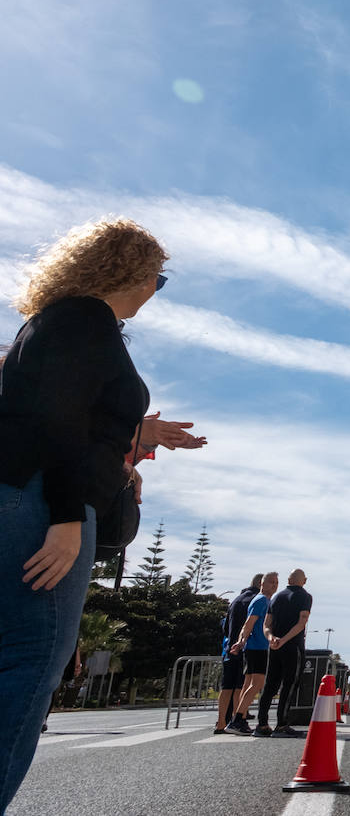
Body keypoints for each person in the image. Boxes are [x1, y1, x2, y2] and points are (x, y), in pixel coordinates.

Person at [0, 218, 167, 811]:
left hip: (26, 497)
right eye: (159, 277)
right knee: (31, 663)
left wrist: (142, 431)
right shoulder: (84, 320)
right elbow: (57, 423)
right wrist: (67, 516)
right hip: (42, 503)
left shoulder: (61, 320)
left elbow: (45, 404)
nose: (156, 289)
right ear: (134, 271)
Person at [254, 568, 312, 737]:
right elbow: (302, 623)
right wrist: (285, 640)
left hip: (274, 646)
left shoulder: (276, 597)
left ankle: (262, 724)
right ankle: (282, 724)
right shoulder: (305, 596)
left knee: (270, 684)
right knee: (290, 684)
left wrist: (271, 638)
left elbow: (266, 624)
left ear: (288, 579)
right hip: (292, 645)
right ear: (304, 580)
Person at [228, 571, 275, 735]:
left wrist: (242, 641)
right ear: (261, 584)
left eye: (276, 582)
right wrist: (241, 640)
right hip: (258, 648)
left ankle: (238, 718)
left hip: (254, 647)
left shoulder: (264, 600)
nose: (274, 585)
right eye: (270, 582)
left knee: (248, 684)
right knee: (257, 683)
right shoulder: (262, 600)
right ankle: (238, 719)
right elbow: (249, 623)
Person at [214, 574, 262, 734]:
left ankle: (221, 723)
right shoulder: (258, 600)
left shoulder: (236, 600)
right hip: (246, 647)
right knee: (240, 686)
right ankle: (236, 720)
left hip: (230, 648)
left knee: (226, 686)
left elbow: (225, 626)